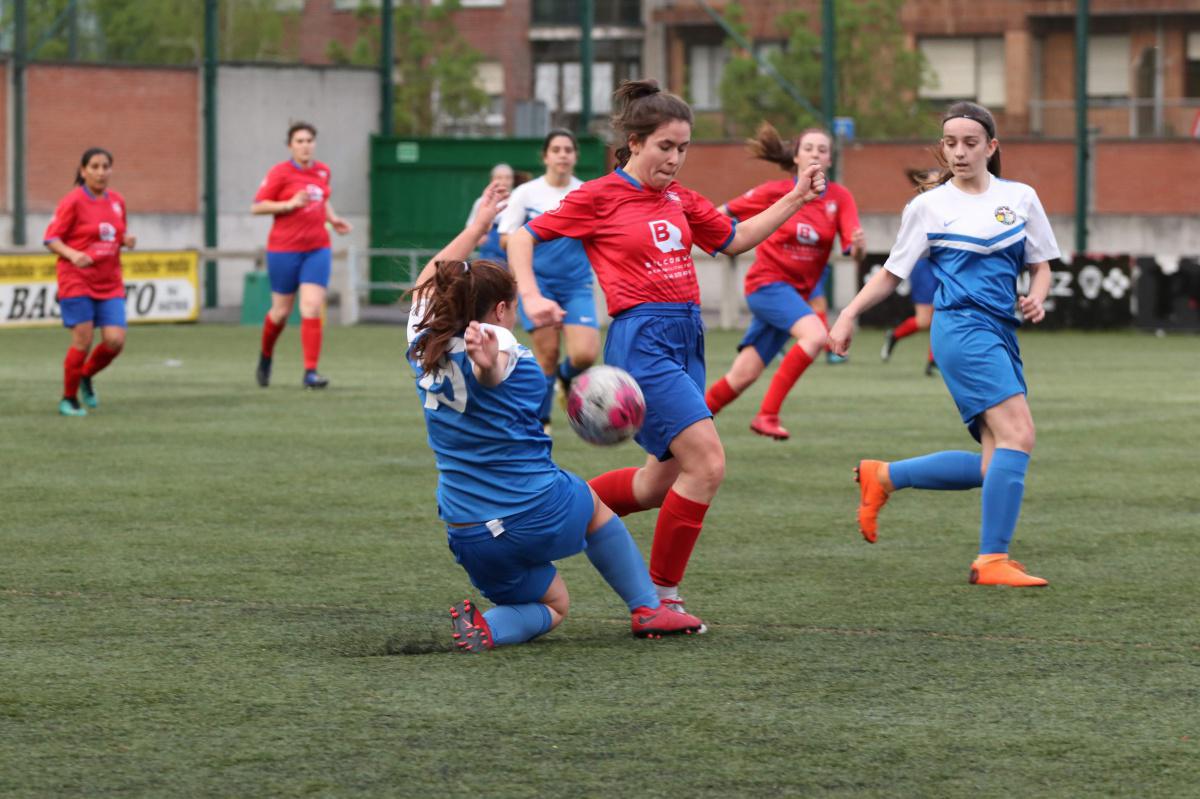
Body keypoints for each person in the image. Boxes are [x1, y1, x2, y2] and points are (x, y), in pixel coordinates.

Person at [507, 79, 826, 614]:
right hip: (642, 340)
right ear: (634, 142)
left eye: (683, 148)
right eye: (665, 146)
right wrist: (533, 295)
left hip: (687, 336)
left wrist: (795, 195)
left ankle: (541, 518)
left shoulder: (680, 198)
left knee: (659, 482)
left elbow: (734, 239)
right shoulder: (599, 195)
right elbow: (522, 237)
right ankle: (658, 599)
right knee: (707, 464)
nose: (675, 159)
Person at [406, 180, 705, 651]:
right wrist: (486, 369)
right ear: (503, 309)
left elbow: (431, 276)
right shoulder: (508, 351)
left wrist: (477, 226)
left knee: (554, 603)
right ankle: (649, 607)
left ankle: (488, 628)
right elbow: (492, 368)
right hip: (531, 509)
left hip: (466, 531)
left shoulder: (423, 343)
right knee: (595, 509)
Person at [828, 101, 1057, 587]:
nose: (958, 152)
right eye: (950, 143)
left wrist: (1036, 298)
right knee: (1019, 434)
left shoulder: (1020, 197)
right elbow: (892, 274)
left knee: (996, 461)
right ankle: (992, 559)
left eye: (970, 143)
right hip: (960, 329)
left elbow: (1041, 265)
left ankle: (885, 476)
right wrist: (848, 313)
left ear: (991, 147)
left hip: (1000, 331)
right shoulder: (928, 206)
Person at [705, 123, 866, 440]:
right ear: (796, 157)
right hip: (766, 286)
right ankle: (767, 415)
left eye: (823, 150)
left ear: (831, 160)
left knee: (743, 374)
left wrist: (859, 247)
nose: (815, 154)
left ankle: (685, 427)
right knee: (816, 335)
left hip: (795, 296)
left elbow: (853, 251)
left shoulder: (840, 198)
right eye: (808, 148)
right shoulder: (774, 191)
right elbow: (718, 215)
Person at [498, 130, 598, 429]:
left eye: (568, 149)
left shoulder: (587, 193)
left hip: (576, 283)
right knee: (548, 354)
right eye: (556, 149)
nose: (563, 154)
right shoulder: (526, 194)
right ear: (545, 156)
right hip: (537, 284)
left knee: (585, 354)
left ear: (576, 156)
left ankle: (566, 378)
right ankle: (541, 422)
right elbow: (506, 239)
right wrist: (539, 236)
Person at [251, 121, 352, 389]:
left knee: (311, 306)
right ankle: (266, 356)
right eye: (299, 141)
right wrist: (289, 204)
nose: (305, 145)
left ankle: (310, 372)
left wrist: (334, 218)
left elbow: (323, 198)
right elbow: (257, 206)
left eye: (309, 140)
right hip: (284, 250)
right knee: (280, 312)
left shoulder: (322, 172)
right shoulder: (279, 173)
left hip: (317, 248)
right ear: (290, 146)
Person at [44, 147, 136, 417]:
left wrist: (126, 240)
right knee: (82, 341)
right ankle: (68, 399)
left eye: (105, 166)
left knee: (115, 341)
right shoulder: (72, 201)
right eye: (94, 167)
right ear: (83, 171)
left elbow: (116, 234)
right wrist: (73, 254)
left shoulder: (117, 201)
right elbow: (51, 239)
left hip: (109, 282)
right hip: (77, 280)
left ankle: (85, 375)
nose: (100, 172)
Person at [880, 169, 940, 376]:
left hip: (944, 265)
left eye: (941, 182)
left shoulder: (952, 204)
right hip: (923, 266)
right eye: (933, 183)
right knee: (924, 320)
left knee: (942, 314)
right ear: (923, 187)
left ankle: (934, 361)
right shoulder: (918, 207)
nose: (938, 186)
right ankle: (894, 336)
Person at [466, 163, 514, 264]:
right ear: (492, 180)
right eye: (499, 177)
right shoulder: (482, 202)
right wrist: (479, 236)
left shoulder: (518, 200)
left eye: (507, 178)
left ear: (512, 180)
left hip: (513, 250)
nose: (503, 181)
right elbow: (470, 226)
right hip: (489, 254)